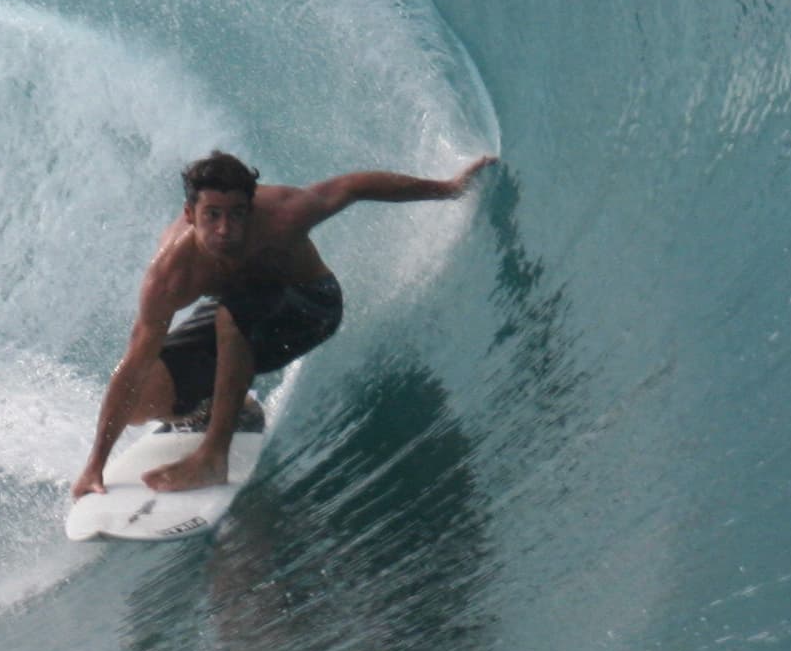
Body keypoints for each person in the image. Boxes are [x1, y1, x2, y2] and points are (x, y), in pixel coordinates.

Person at [72, 148, 498, 499]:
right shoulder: (169, 275)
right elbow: (133, 364)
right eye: (212, 215)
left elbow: (353, 187)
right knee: (142, 396)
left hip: (311, 306)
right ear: (189, 213)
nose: (225, 228)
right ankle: (225, 412)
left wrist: (449, 189)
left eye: (237, 214)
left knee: (232, 313)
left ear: (251, 206)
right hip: (236, 319)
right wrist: (95, 465)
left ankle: (213, 456)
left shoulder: (282, 215)